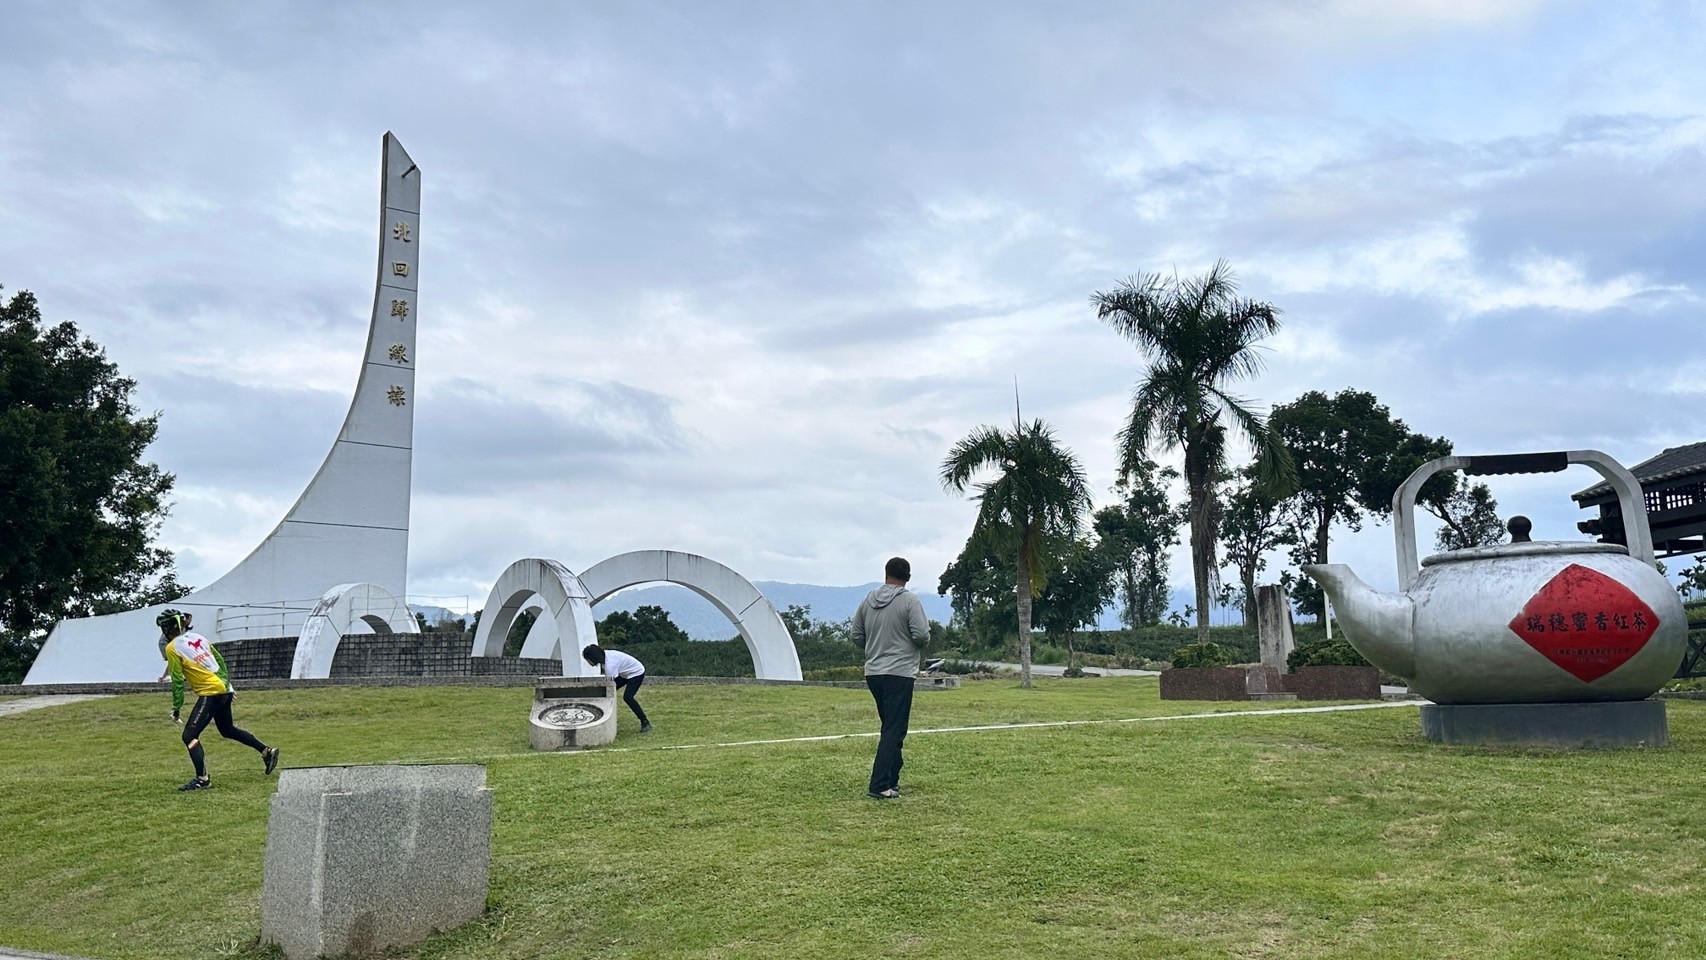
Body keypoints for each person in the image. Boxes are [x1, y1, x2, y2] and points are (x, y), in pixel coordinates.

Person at [158, 608, 280, 791]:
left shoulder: (171, 648)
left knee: (189, 736)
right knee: (227, 729)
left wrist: (176, 708)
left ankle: (203, 779)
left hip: (211, 693)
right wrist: (228, 686)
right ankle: (266, 751)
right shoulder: (198, 638)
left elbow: (176, 680)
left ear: (167, 629)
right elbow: (220, 662)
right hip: (223, 689)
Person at [851, 556, 930, 800]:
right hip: (900, 672)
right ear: (907, 577)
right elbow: (921, 634)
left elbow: (856, 634)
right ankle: (880, 784)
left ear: (886, 574)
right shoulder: (909, 601)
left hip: (874, 672)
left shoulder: (868, 600)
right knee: (894, 730)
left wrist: (874, 647)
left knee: (889, 727)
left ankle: (893, 778)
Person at [582, 643, 651, 732]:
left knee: (628, 697)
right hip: (625, 673)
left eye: (588, 659)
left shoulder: (610, 665)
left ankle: (644, 721)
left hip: (636, 672)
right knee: (606, 693)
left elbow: (609, 683)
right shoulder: (605, 657)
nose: (588, 662)